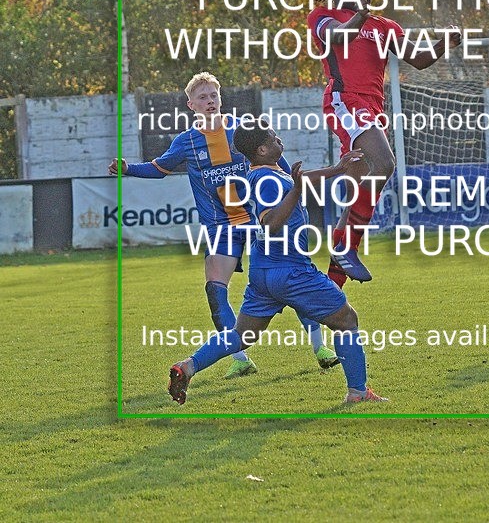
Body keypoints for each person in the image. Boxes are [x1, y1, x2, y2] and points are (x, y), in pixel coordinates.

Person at [109, 71, 339, 378]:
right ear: (191, 105)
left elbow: (279, 168)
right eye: (202, 97)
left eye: (213, 95)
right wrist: (128, 168)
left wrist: (298, 185)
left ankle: (320, 348)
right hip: (221, 227)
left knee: (289, 277)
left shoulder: (243, 131)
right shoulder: (186, 141)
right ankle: (240, 359)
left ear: (220, 98)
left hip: (258, 221)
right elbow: (159, 168)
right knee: (215, 289)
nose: (210, 101)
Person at [168, 124, 388, 405]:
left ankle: (188, 366)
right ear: (262, 149)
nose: (278, 139)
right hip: (291, 271)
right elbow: (270, 223)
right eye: (273, 138)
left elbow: (301, 181)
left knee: (242, 335)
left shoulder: (266, 173)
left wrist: (337, 169)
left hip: (264, 271)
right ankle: (357, 393)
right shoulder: (266, 180)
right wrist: (296, 189)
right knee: (347, 321)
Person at [307, 0, 462, 285]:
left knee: (355, 199)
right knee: (385, 163)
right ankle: (346, 248)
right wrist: (361, 15)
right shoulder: (322, 16)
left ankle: (330, 294)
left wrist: (443, 43)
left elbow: (419, 59)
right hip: (345, 101)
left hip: (374, 110)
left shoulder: (383, 25)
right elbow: (339, 36)